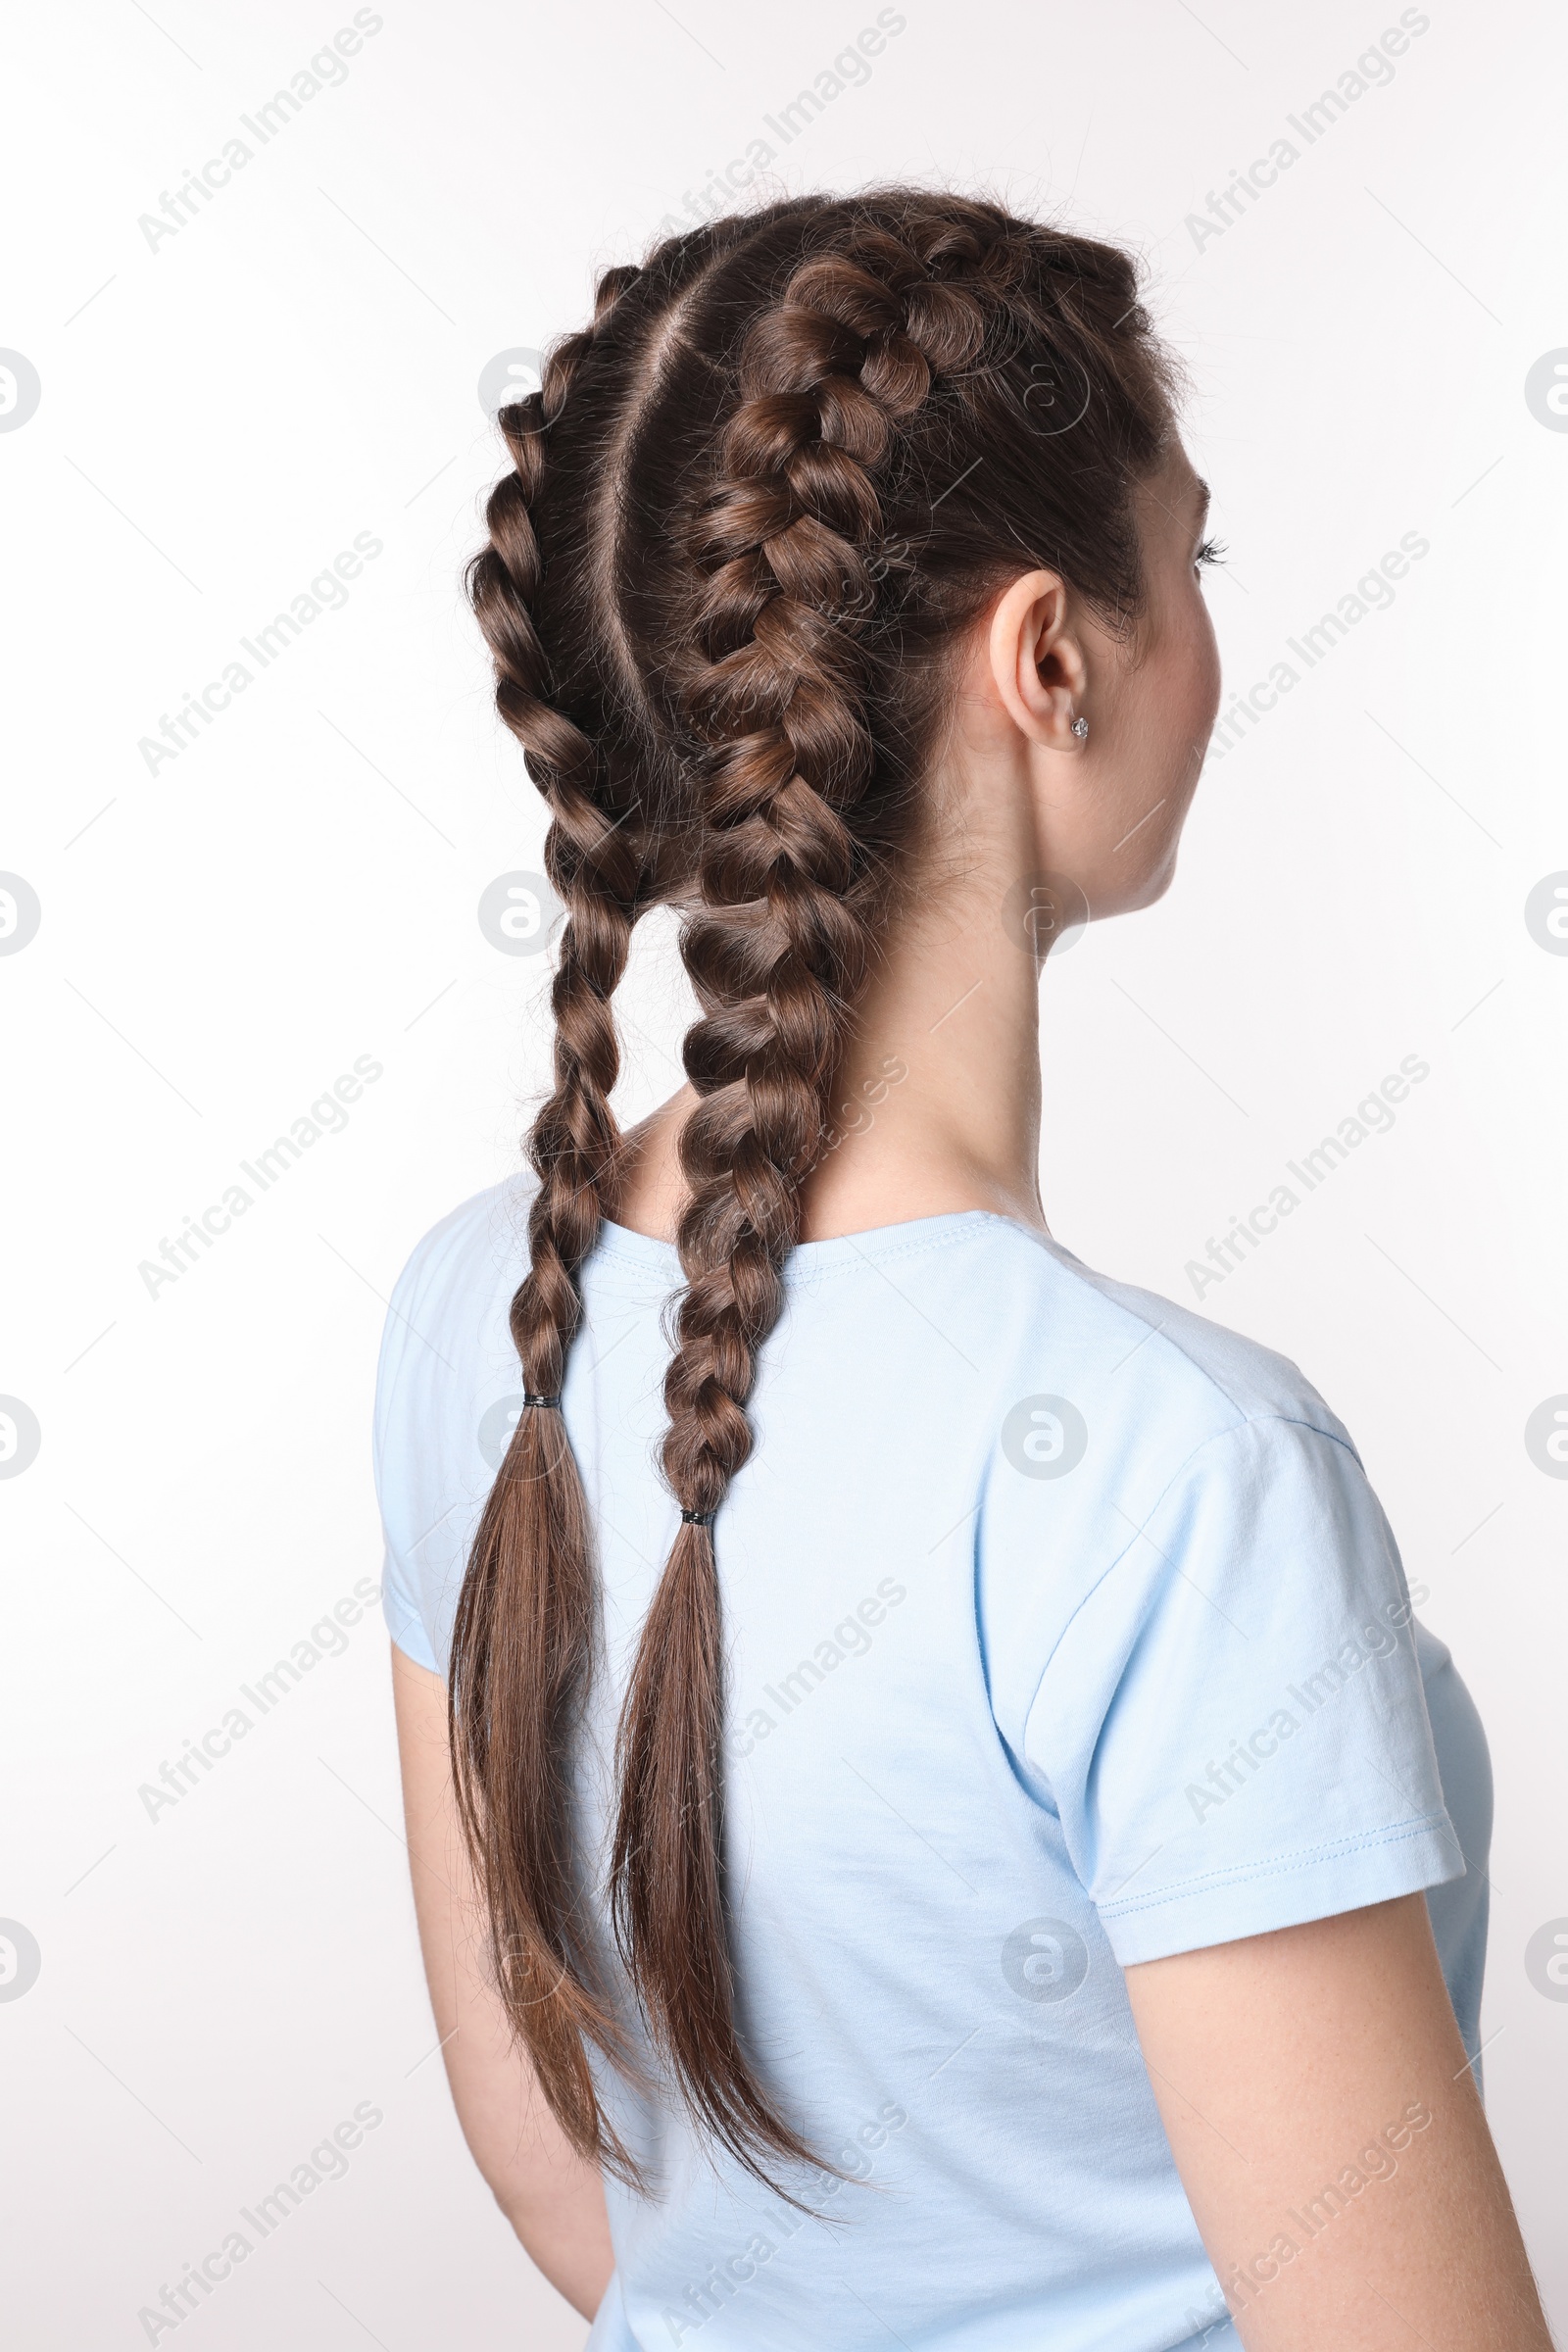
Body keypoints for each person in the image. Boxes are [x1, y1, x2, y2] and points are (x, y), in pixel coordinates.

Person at [372, 191, 1549, 2351]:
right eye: (1187, 558)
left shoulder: (483, 1317)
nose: (1203, 626)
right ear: (1046, 658)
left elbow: (568, 2184)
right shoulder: (1174, 1476)